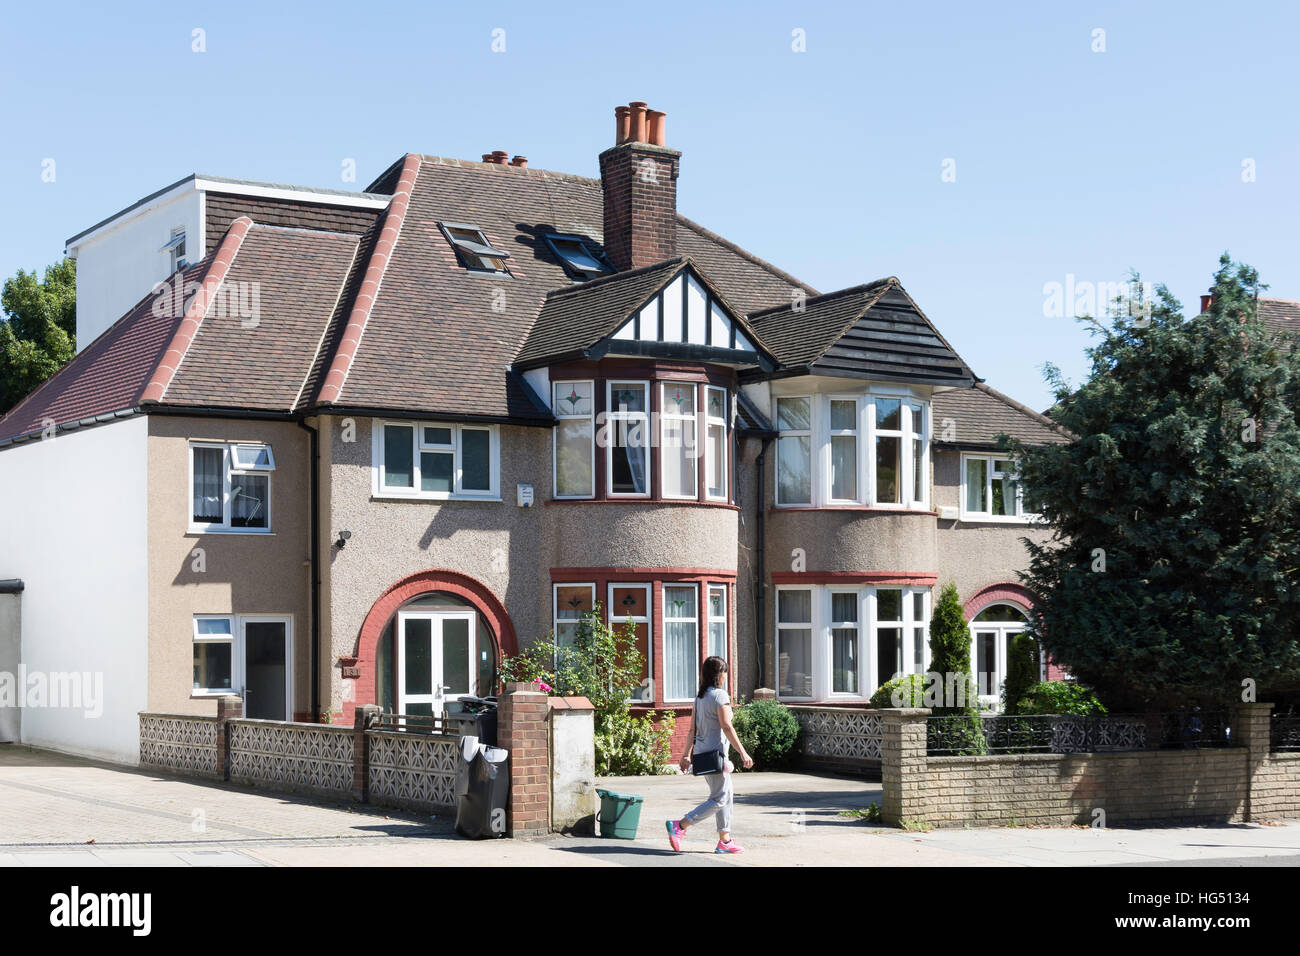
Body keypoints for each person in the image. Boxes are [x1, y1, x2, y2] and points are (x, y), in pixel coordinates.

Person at [665, 656, 753, 854]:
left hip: (703, 754)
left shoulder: (700, 698)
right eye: (724, 673)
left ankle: (725, 840)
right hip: (716, 756)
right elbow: (727, 726)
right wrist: (743, 752)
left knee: (725, 795)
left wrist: (686, 755)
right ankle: (680, 825)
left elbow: (691, 730)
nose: (725, 677)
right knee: (720, 798)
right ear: (718, 675)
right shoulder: (720, 696)